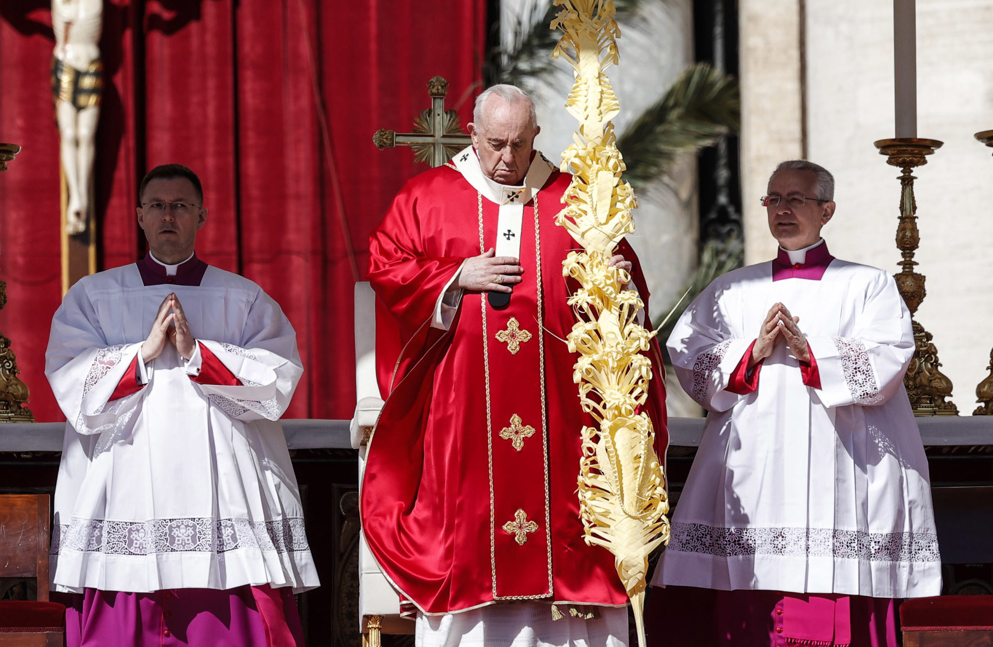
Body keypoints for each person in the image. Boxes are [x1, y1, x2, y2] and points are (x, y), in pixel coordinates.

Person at [361, 84, 669, 647]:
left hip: (562, 415)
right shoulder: (428, 197)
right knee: (471, 537)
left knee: (570, 543)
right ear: (472, 137)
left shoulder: (577, 204)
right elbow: (386, 265)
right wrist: (454, 277)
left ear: (536, 139)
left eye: (519, 145)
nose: (507, 159)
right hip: (465, 412)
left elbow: (625, 298)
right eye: (495, 144)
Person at [649, 160, 940, 646]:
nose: (782, 210)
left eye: (796, 200)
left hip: (841, 468)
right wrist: (751, 352)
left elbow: (889, 359)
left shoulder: (867, 285)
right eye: (773, 199)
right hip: (754, 472)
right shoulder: (733, 288)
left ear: (827, 210)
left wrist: (812, 353)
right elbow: (688, 354)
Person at [46, 163, 317, 646]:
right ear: (139, 216)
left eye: (180, 206)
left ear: (201, 215)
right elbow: (69, 379)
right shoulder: (93, 295)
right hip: (123, 476)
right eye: (157, 206)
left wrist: (199, 354)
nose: (168, 215)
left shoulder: (243, 297)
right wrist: (142, 355)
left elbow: (277, 379)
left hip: (224, 482)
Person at [0, 0, 215, 235]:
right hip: (65, 66)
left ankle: (82, 194)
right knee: (69, 134)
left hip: (92, 66)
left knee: (86, 135)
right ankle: (77, 199)